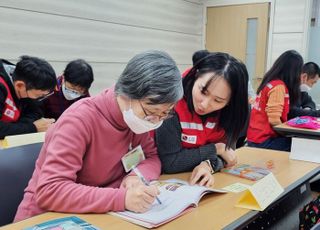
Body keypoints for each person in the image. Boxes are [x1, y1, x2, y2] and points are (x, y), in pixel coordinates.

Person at [14, 50, 183, 221]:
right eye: (151, 112)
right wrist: (122, 199)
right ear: (127, 92)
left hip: (98, 214)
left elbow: (152, 157)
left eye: (165, 114)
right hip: (46, 217)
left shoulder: (135, 122)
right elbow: (51, 190)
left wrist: (136, 175)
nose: (155, 121)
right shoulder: (80, 120)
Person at [155, 52, 249, 187]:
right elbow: (171, 162)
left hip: (199, 185)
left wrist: (208, 165)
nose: (204, 104)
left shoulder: (229, 114)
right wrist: (216, 149)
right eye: (203, 92)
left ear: (230, 102)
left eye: (218, 100)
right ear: (195, 76)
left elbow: (229, 156)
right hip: (167, 181)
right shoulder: (171, 105)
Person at [247, 50, 303, 151]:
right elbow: (273, 120)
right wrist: (287, 132)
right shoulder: (278, 87)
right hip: (264, 141)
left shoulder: (270, 83)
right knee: (302, 146)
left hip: (255, 138)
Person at [0, 56, 57, 139]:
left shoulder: (29, 82)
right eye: (39, 96)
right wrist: (32, 128)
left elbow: (35, 112)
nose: (39, 99)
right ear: (20, 85)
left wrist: (20, 127)